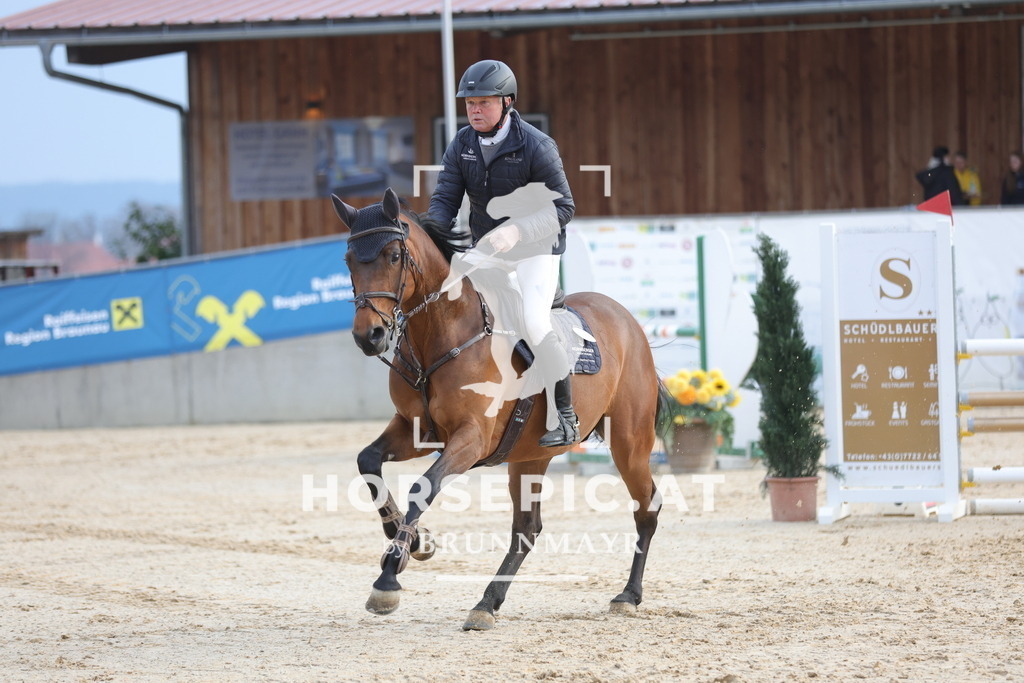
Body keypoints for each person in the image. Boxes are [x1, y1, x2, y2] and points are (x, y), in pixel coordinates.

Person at [429, 59, 579, 448]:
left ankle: (565, 417)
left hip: (536, 250)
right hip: (488, 248)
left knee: (533, 321)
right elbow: (444, 200)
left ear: (507, 102)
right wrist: (431, 237)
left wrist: (517, 230)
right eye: (469, 103)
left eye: (483, 102)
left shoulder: (536, 145)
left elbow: (563, 207)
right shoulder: (462, 144)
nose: (474, 110)